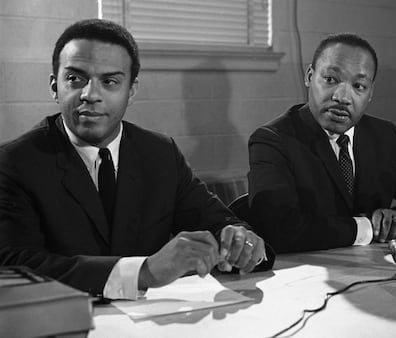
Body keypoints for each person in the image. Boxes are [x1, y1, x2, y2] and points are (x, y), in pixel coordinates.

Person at [0, 19, 270, 300]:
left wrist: (243, 242)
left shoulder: (160, 152)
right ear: (55, 86)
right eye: (75, 79)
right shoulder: (14, 163)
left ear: (131, 90)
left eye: (110, 82)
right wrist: (143, 272)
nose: (90, 95)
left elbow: (217, 222)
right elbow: (15, 268)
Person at [247, 33, 396, 254]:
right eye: (331, 80)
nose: (342, 97)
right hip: (303, 275)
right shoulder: (272, 140)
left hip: (375, 270)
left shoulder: (385, 135)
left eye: (359, 86)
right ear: (309, 76)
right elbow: (277, 228)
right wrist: (367, 228)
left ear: (370, 92)